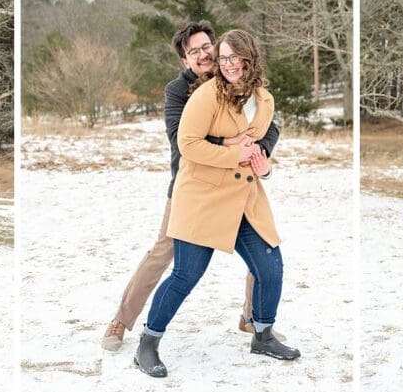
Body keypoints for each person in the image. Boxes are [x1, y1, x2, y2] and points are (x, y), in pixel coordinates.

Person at [101, 20, 282, 351]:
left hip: (237, 183)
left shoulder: (236, 77)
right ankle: (121, 321)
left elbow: (270, 125)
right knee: (163, 255)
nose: (202, 55)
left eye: (205, 47)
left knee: (261, 252)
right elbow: (180, 138)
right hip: (193, 189)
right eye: (193, 51)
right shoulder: (178, 90)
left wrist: (261, 152)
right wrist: (228, 142)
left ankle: (253, 318)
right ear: (185, 60)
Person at [135, 29, 299, 378]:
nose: (227, 65)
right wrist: (230, 152)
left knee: (270, 267)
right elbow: (188, 143)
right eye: (222, 58)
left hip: (244, 199)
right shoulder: (207, 95)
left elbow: (260, 146)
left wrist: (264, 166)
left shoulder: (264, 99)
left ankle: (263, 334)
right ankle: (147, 344)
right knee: (185, 274)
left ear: (249, 57)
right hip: (203, 197)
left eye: (233, 57)